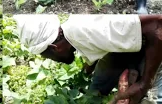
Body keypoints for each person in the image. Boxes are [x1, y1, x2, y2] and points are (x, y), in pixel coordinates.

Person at [14, 14, 162, 104]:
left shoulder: (93, 29)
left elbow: (157, 24)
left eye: (48, 57)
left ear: (55, 47)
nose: (54, 60)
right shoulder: (72, 34)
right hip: (129, 39)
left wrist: (144, 83)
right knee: (97, 86)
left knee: (148, 99)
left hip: (156, 42)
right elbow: (92, 47)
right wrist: (87, 69)